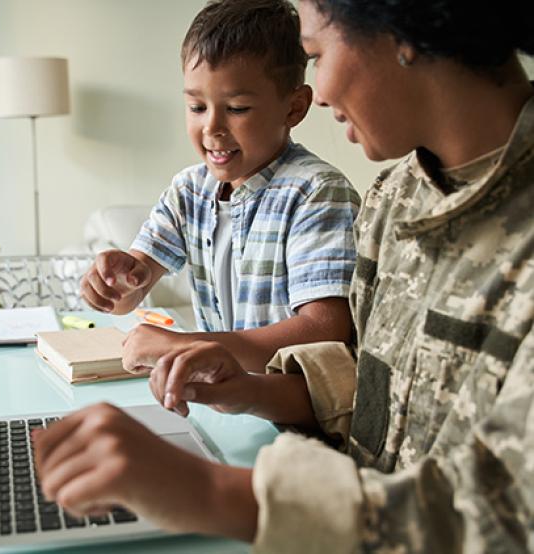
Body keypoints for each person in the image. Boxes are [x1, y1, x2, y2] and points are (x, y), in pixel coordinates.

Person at [34, 0, 534, 552]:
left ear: (403, 30)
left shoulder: (325, 193)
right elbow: (367, 387)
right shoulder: (394, 200)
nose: (318, 93)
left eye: (316, 54)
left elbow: (506, 514)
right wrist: (247, 390)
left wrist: (208, 489)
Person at [80, 0, 360, 377]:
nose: (212, 128)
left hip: (293, 413)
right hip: (222, 399)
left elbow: (326, 329)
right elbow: (135, 285)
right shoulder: (189, 191)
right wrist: (116, 286)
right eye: (197, 107)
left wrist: (195, 346)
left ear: (294, 108)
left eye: (238, 108)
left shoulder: (316, 193)